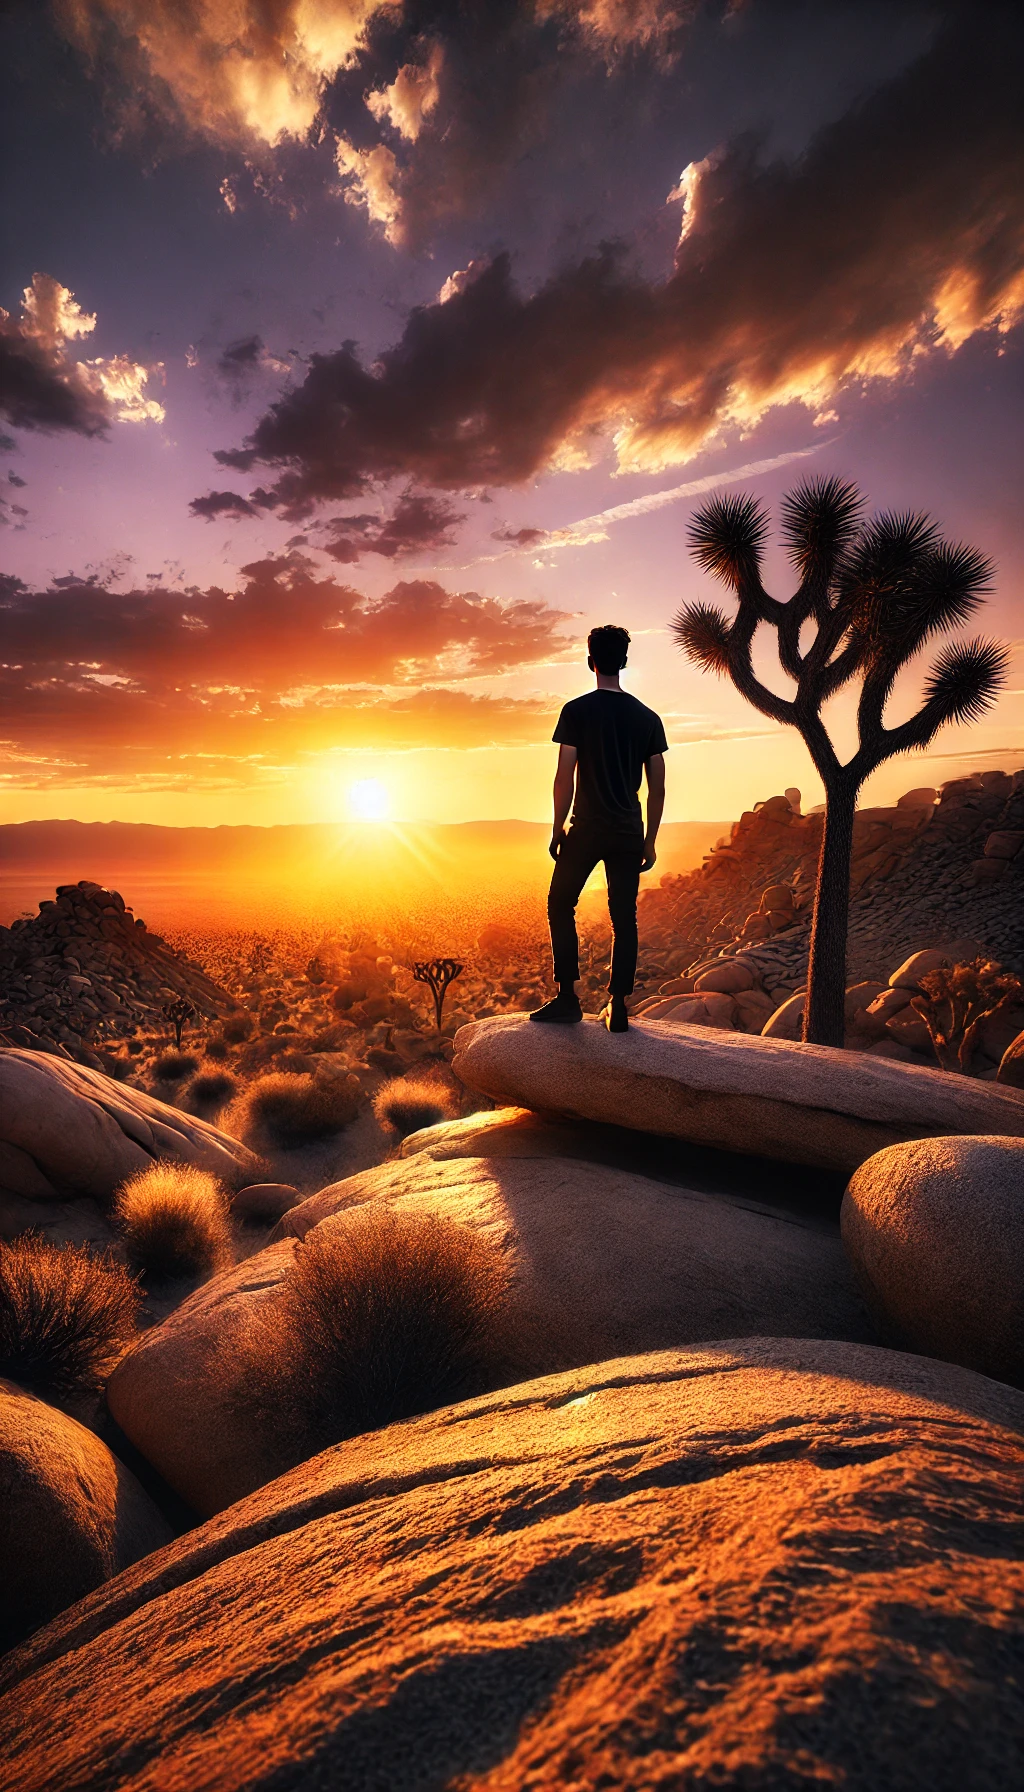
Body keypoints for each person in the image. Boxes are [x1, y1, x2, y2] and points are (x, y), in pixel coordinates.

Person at [531, 623, 667, 1033]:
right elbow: (658, 786)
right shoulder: (648, 718)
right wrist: (650, 840)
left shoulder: (576, 711)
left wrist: (557, 827)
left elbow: (564, 776)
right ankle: (619, 1005)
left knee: (560, 905)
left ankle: (568, 998)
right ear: (624, 662)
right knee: (624, 917)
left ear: (590, 661)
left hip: (586, 828)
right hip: (627, 831)